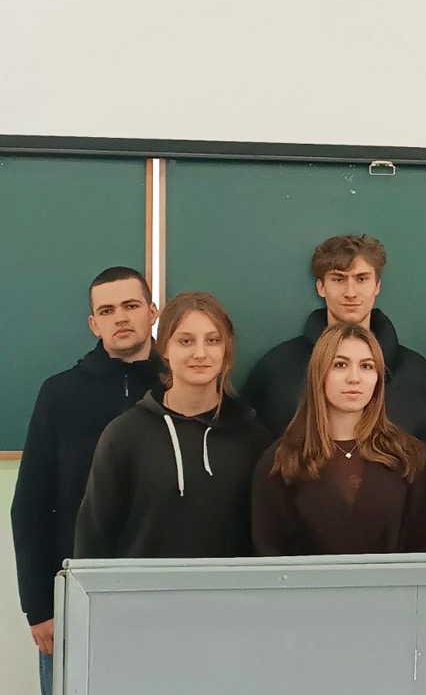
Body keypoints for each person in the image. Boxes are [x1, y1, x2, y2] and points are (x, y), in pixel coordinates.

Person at [10, 266, 163, 695]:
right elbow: (30, 506)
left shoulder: (182, 386)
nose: (121, 318)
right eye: (107, 311)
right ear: (94, 324)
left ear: (152, 311)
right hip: (77, 598)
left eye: (131, 305)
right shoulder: (59, 393)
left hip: (163, 592)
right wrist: (38, 608)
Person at [74, 292, 271, 559]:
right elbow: (93, 541)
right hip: (142, 587)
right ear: (165, 348)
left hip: (232, 587)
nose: (200, 353)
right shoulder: (124, 435)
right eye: (185, 341)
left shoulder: (254, 439)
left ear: (226, 349)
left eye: (213, 340)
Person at [242, 234, 426, 462]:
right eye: (338, 279)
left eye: (361, 279)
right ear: (321, 286)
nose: (350, 292)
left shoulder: (417, 374)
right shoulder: (276, 369)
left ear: (377, 286)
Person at [252, 323, 426, 555]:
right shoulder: (280, 461)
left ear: (378, 378)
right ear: (318, 374)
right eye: (340, 365)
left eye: (366, 366)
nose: (354, 378)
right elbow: (268, 555)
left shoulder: (410, 456)